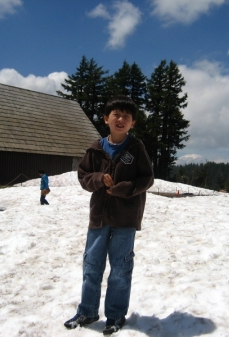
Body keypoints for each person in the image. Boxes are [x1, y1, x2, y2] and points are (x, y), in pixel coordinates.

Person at [64, 95, 154, 335]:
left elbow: (147, 179)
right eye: (116, 115)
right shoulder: (95, 149)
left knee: (120, 269)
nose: (121, 119)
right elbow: (83, 176)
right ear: (106, 119)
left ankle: (115, 316)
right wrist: (97, 179)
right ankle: (87, 311)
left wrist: (125, 189)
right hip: (99, 218)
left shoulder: (136, 148)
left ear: (133, 123)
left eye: (127, 116)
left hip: (125, 219)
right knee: (92, 265)